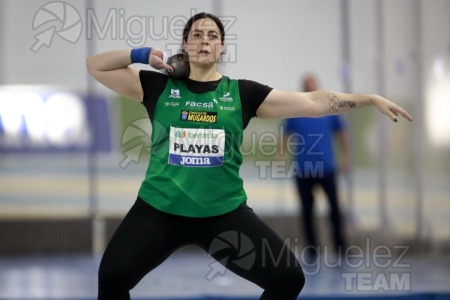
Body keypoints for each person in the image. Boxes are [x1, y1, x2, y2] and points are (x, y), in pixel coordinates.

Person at [86, 12, 412, 300]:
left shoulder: (242, 93)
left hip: (223, 216)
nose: (204, 40)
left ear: (222, 48)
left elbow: (314, 102)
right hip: (159, 211)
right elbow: (95, 65)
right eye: (197, 34)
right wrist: (143, 55)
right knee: (112, 278)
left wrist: (368, 99)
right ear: (184, 44)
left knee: (288, 279)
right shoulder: (156, 87)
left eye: (212, 36)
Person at [282, 74, 350, 261]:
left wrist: (345, 157)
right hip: (304, 170)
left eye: (312, 85)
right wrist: (281, 155)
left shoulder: (329, 109)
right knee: (306, 211)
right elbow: (285, 136)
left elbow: (341, 134)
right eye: (306, 85)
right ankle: (312, 249)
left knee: (334, 209)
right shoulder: (295, 111)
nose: (309, 88)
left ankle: (340, 247)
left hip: (327, 168)